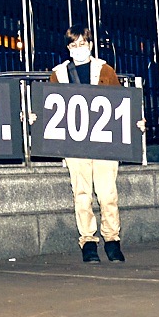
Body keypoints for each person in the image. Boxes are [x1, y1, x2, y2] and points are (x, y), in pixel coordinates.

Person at [51, 27, 126, 263]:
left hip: (104, 143)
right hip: (75, 144)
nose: (78, 49)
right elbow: (51, 108)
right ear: (68, 48)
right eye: (73, 45)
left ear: (90, 45)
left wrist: (135, 122)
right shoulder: (59, 74)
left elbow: (121, 104)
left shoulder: (105, 70)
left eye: (82, 43)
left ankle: (112, 239)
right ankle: (88, 241)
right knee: (81, 194)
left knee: (107, 194)